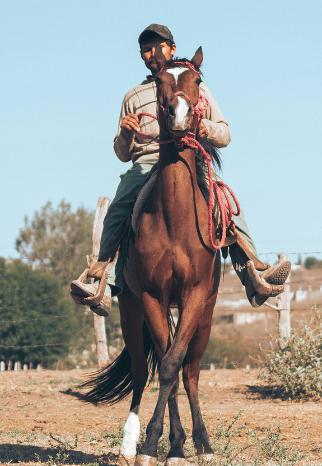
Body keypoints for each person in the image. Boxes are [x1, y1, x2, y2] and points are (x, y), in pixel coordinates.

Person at [70, 24, 290, 317]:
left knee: (226, 203)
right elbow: (122, 154)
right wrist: (125, 134)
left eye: (158, 46)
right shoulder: (133, 97)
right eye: (145, 49)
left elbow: (224, 134)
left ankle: (253, 272)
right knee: (119, 208)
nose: (152, 53)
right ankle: (103, 282)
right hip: (147, 161)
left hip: (189, 159)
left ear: (172, 49)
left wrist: (202, 127)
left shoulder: (194, 84)